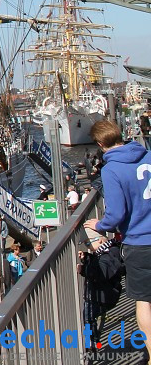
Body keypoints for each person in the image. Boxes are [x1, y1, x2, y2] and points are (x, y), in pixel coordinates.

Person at [85, 119, 151, 363]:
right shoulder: (149, 155)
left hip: (139, 242)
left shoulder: (111, 169)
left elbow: (116, 215)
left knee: (145, 301)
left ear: (101, 144)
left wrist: (100, 225)